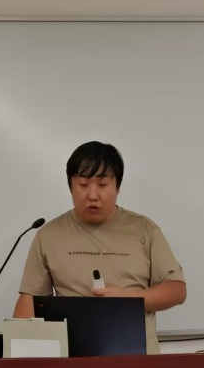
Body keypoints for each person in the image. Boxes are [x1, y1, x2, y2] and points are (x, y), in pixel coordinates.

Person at [13, 141, 186, 354]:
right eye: (83, 184)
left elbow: (176, 290)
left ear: (118, 187)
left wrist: (125, 299)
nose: (92, 195)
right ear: (70, 186)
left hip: (137, 359)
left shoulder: (144, 230)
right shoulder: (48, 234)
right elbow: (30, 300)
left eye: (102, 185)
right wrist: (20, 357)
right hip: (70, 361)